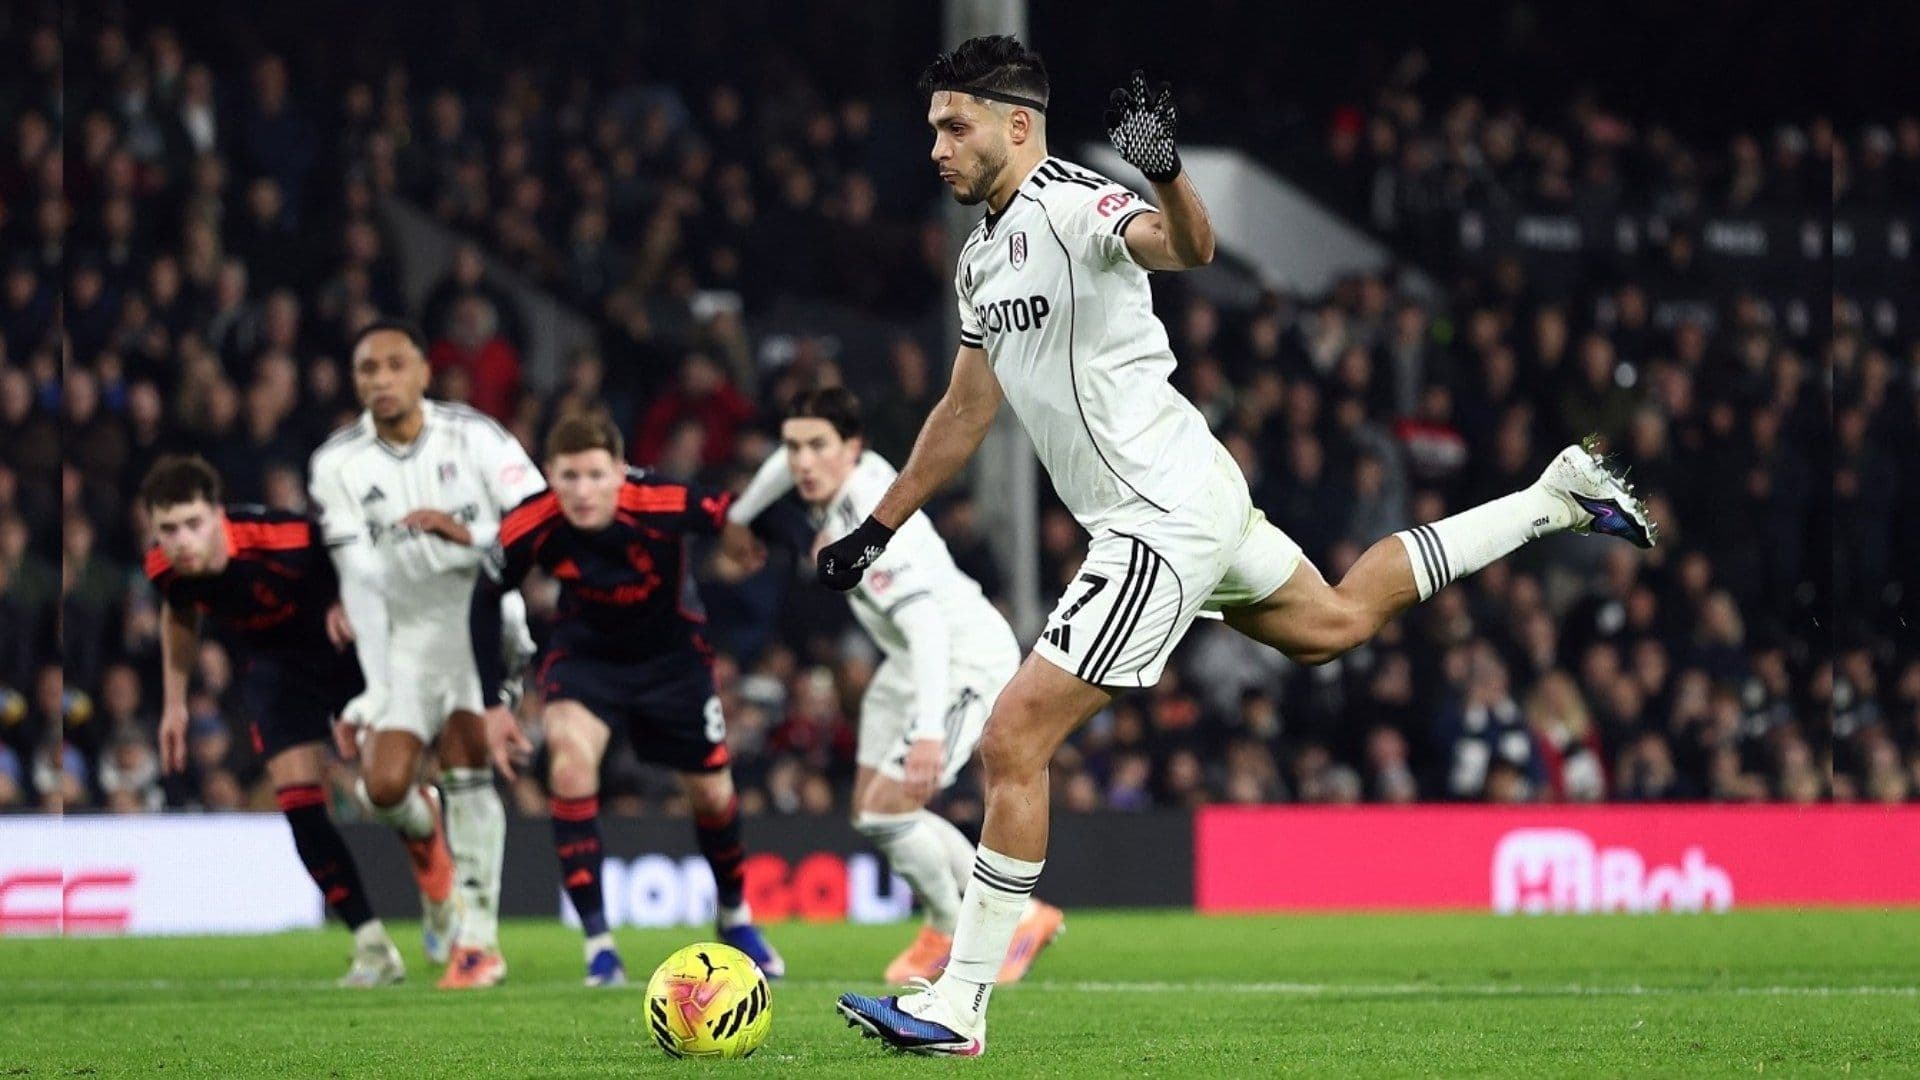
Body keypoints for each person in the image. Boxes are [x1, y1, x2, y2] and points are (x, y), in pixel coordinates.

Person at [830, 36, 1657, 1056]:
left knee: (1012, 740)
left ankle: (957, 1005)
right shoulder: (978, 260)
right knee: (1336, 621)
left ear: (1016, 124)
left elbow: (1186, 249)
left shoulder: (1074, 205)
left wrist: (1165, 170)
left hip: (1158, 510)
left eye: (955, 127)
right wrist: (877, 522)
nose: (938, 148)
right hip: (1189, 493)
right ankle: (1553, 499)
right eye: (933, 130)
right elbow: (962, 412)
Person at [724, 387, 1048, 985]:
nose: (801, 463)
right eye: (794, 447)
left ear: (852, 448)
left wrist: (928, 734)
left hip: (959, 658)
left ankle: (993, 922)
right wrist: (741, 517)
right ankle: (958, 923)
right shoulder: (841, 471)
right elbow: (781, 467)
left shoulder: (863, 516)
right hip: (908, 659)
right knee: (874, 815)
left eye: (818, 447)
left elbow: (925, 625)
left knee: (892, 810)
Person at [480, 414, 784, 987]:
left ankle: (736, 916)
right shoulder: (532, 523)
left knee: (713, 794)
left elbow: (732, 512)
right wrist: (491, 700)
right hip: (586, 661)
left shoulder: (661, 499)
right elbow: (484, 593)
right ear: (551, 474)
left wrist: (753, 536)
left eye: (596, 474)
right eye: (569, 476)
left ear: (620, 472)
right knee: (569, 768)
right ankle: (599, 945)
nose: (582, 490)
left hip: (674, 662)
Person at [139, 453, 445, 986]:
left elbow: (356, 549)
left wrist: (343, 599)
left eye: (193, 524)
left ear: (218, 516)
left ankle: (427, 835)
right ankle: (372, 946)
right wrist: (173, 703)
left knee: (382, 791)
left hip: (345, 650)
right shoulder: (166, 569)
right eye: (168, 529)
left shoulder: (278, 536)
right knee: (299, 805)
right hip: (276, 669)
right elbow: (180, 614)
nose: (182, 540)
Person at [308, 319, 542, 989]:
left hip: (476, 620)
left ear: (421, 373)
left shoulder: (475, 436)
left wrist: (466, 532)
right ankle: (435, 865)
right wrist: (367, 671)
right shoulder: (337, 464)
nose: (380, 380)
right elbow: (354, 572)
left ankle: (480, 942)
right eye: (366, 370)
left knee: (470, 760)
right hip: (403, 638)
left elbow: (537, 518)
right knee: (381, 789)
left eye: (393, 366)